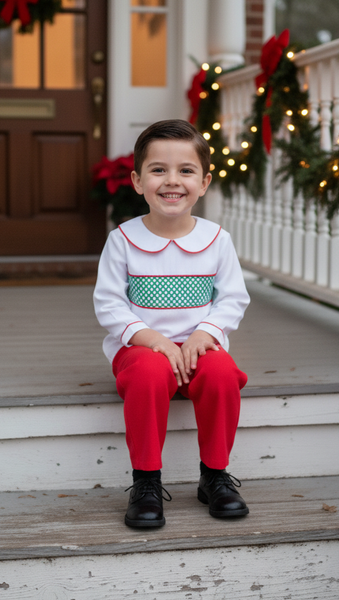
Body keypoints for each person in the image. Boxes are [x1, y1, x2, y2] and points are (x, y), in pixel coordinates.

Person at [94, 119, 250, 528]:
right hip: (143, 351)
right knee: (147, 371)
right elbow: (109, 305)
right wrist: (154, 341)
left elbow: (233, 298)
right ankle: (146, 481)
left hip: (200, 349)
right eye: (158, 170)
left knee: (221, 373)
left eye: (186, 170)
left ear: (204, 182)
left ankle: (214, 475)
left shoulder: (216, 240)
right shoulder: (123, 240)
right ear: (138, 180)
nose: (172, 181)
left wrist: (205, 334)